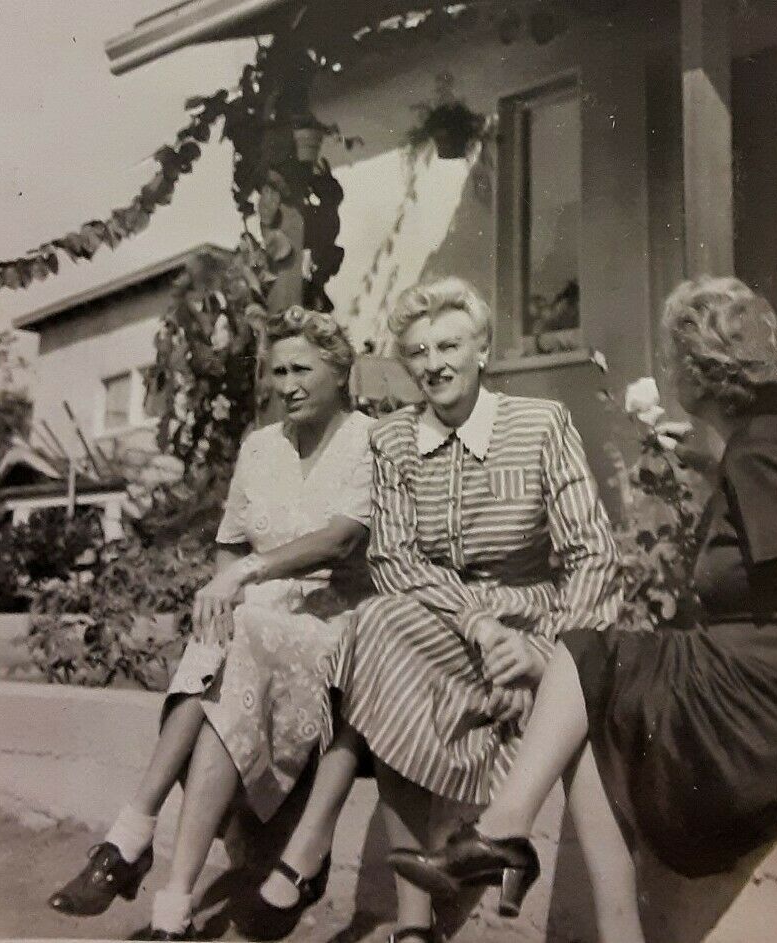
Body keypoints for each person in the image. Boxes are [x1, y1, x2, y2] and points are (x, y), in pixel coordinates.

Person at [389, 276, 777, 943]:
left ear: (692, 367)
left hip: (763, 696)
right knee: (590, 689)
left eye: (669, 359)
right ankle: (573, 894)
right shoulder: (756, 440)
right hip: (754, 679)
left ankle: (503, 832)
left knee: (585, 651)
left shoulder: (763, 447)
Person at [259, 276, 621, 943]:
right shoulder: (393, 441)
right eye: (419, 351)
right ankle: (414, 925)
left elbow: (592, 555)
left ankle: (419, 896)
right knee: (377, 627)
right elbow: (394, 560)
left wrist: (540, 652)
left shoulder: (539, 425)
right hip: (444, 623)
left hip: (533, 619)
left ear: (482, 349)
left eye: (449, 344)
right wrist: (477, 623)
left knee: (386, 643)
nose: (434, 363)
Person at [48, 306, 375, 940]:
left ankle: (135, 840)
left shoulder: (365, 438)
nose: (288, 384)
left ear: (340, 373)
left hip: (336, 621)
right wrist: (229, 587)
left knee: (237, 634)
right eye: (278, 371)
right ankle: (167, 893)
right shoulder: (260, 447)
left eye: (302, 369)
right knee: (229, 641)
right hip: (257, 624)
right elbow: (230, 541)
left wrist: (242, 579)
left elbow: (339, 540)